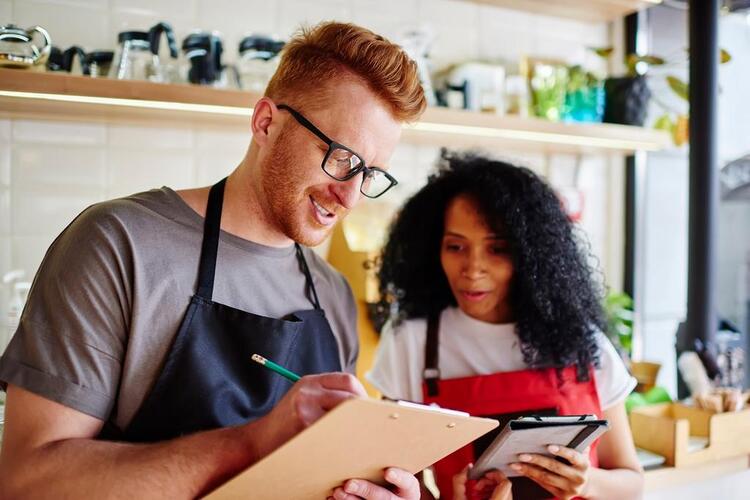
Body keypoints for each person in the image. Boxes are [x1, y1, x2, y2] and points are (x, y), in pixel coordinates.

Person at [0, 22, 426, 499]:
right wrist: (250, 443)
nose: (349, 196)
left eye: (371, 174)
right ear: (266, 122)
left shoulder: (332, 295)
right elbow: (27, 482)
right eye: (341, 156)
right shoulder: (118, 244)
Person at [367, 152, 644, 499]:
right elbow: (397, 483)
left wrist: (588, 482)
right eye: (456, 246)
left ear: (529, 255)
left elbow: (632, 484)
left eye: (496, 249)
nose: (473, 268)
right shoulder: (413, 341)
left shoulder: (581, 342)